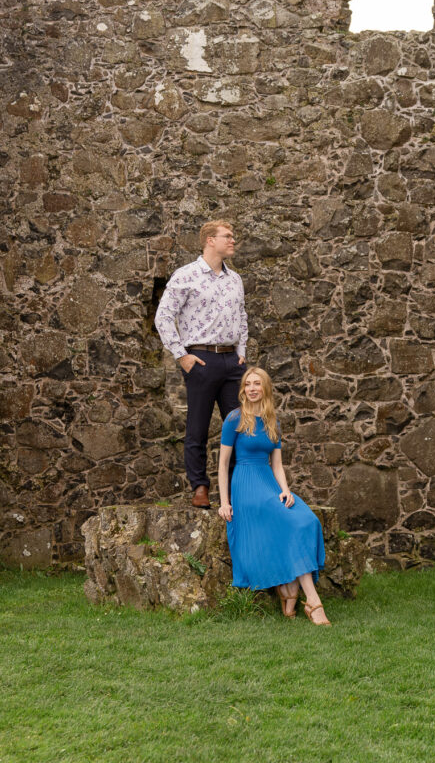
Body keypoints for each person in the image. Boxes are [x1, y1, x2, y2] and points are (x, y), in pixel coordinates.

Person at [218, 367, 330, 626]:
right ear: (243, 389)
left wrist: (286, 489)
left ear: (266, 388)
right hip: (245, 484)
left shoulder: (272, 421)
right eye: (248, 384)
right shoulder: (234, 419)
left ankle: (290, 589)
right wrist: (225, 501)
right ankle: (312, 602)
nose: (252, 388)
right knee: (289, 523)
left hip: (268, 481)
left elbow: (277, 464)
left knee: (307, 521)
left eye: (257, 384)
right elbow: (223, 464)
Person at [155, 219, 247, 509]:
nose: (233, 241)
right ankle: (200, 488)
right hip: (201, 360)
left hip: (233, 361)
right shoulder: (186, 275)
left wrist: (241, 350)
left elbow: (242, 317)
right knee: (197, 428)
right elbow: (163, 317)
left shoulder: (235, 280)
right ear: (210, 240)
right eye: (227, 236)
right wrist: (182, 355)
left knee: (239, 429)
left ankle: (234, 492)